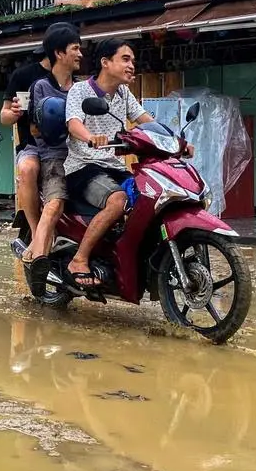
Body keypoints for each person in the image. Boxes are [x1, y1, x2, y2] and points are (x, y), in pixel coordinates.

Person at [63, 40, 190, 289]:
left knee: (148, 198)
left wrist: (177, 142)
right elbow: (73, 123)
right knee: (119, 200)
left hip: (112, 165)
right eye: (125, 59)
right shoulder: (80, 91)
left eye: (132, 60)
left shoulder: (123, 94)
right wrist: (90, 137)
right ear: (105, 62)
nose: (132, 65)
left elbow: (146, 121)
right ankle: (79, 259)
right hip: (83, 166)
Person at [0, 23, 81, 264]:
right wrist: (13, 112)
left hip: (67, 147)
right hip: (32, 145)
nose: (80, 54)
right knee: (28, 169)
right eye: (75, 48)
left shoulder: (75, 82)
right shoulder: (24, 76)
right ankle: (37, 233)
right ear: (58, 51)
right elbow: (3, 116)